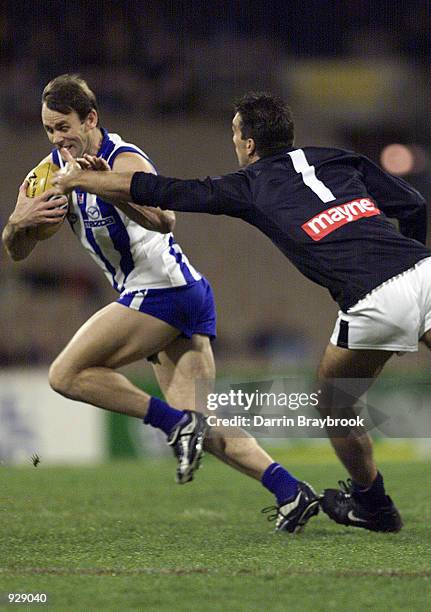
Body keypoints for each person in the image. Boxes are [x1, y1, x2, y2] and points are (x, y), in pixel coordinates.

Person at [55, 91, 431, 534]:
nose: (235, 144)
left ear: (249, 145)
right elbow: (412, 203)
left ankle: (373, 505)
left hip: (373, 299)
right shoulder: (337, 158)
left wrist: (83, 182)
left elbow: (168, 192)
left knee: (335, 402)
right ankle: (349, 500)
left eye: (235, 135)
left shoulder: (251, 184)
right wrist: (412, 273)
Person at [2, 77, 320, 534]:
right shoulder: (50, 174)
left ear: (90, 119)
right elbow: (16, 250)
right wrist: (18, 223)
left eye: (64, 126)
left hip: (163, 289)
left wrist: (107, 185)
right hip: (169, 293)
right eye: (49, 129)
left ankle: (173, 423)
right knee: (204, 424)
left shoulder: (122, 158)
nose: (56, 138)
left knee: (66, 375)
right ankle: (291, 492)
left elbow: (165, 218)